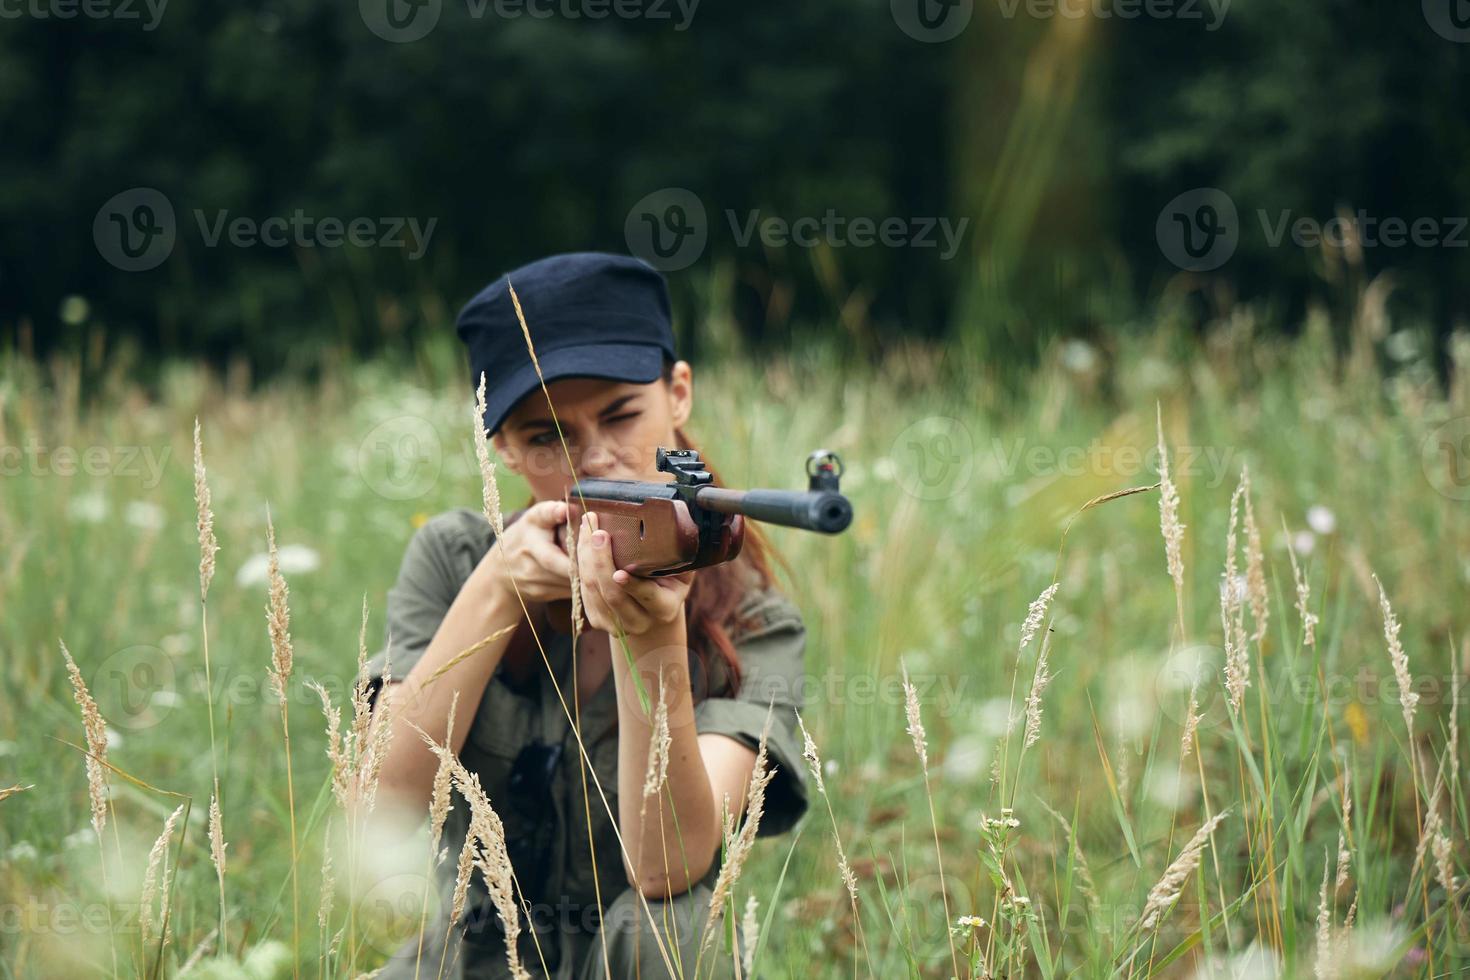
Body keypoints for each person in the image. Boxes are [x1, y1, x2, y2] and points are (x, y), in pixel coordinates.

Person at [365, 252, 810, 979]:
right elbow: (379, 808)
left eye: (621, 414)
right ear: (502, 448)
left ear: (679, 393)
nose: (596, 458)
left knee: (675, 927)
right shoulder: (455, 559)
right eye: (548, 436)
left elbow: (668, 870)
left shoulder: (753, 618)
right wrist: (496, 592)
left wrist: (653, 640)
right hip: (471, 955)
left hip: (633, 959)